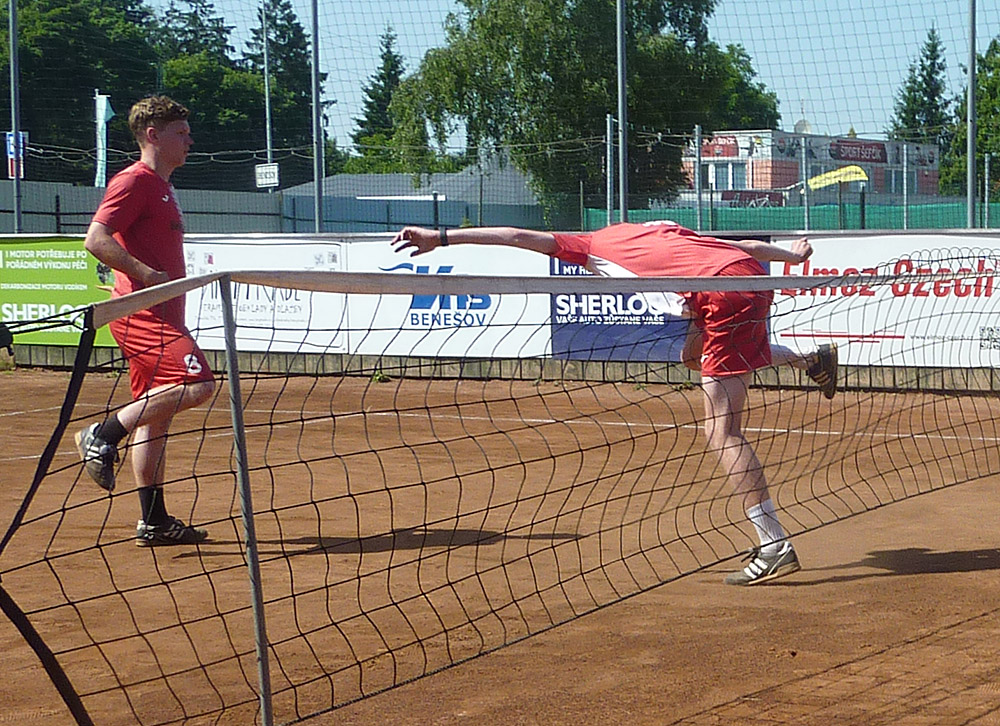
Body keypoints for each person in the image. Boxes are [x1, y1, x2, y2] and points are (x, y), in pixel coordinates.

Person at [392, 221, 838, 586]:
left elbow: (516, 236)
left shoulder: (590, 244)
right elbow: (744, 248)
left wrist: (441, 237)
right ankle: (810, 359)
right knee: (692, 355)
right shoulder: (662, 228)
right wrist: (791, 257)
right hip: (747, 279)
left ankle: (773, 543)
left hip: (719, 294)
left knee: (721, 432)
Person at [75, 95, 215, 547]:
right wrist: (146, 275)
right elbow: (95, 239)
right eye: (181, 133)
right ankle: (102, 434)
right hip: (141, 313)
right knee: (198, 385)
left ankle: (153, 521)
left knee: (157, 417)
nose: (190, 140)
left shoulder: (162, 186)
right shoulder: (134, 180)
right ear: (153, 135)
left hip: (162, 312)